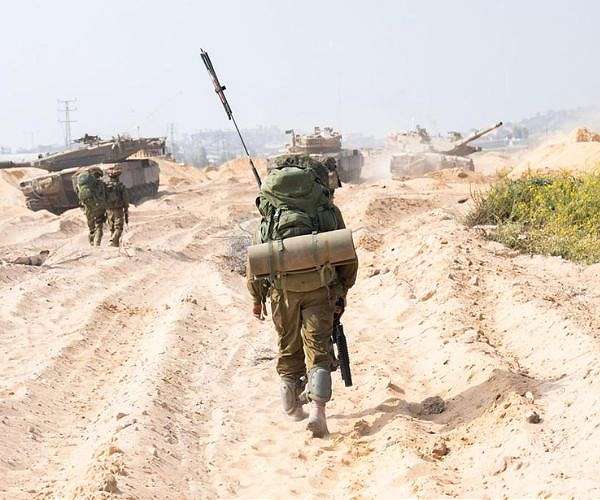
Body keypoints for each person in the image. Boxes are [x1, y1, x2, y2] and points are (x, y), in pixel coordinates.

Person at [246, 156, 358, 438]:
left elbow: (257, 261)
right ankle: (318, 413)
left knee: (288, 346)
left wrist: (257, 299)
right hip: (320, 289)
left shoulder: (271, 212)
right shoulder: (326, 210)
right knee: (318, 347)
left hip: (281, 293)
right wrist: (342, 289)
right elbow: (346, 255)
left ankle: (292, 408)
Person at [76, 168, 107, 246]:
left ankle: (92, 240)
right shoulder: (99, 183)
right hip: (97, 206)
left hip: (87, 206)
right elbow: (103, 195)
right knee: (99, 224)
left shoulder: (81, 183)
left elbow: (77, 192)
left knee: (91, 225)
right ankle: (97, 244)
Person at [105, 167, 129, 247]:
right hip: (118, 210)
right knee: (119, 228)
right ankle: (112, 241)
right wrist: (126, 208)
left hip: (108, 210)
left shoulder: (105, 186)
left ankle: (115, 244)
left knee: (112, 228)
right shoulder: (120, 186)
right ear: (118, 177)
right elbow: (125, 198)